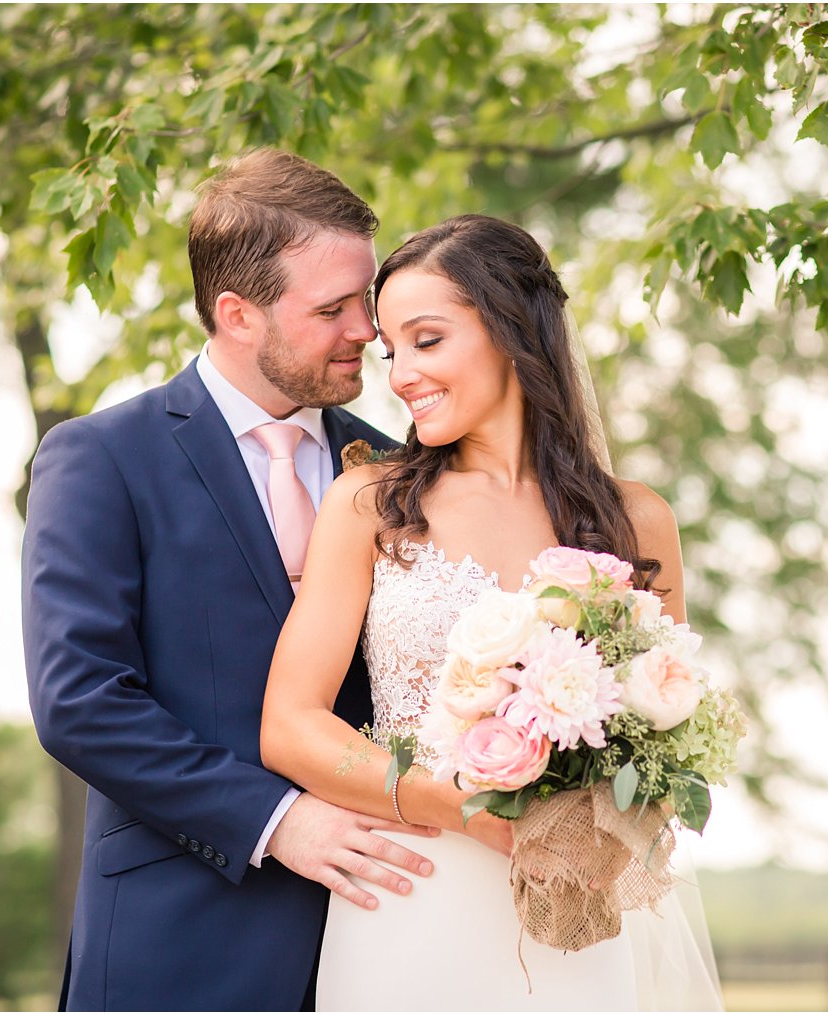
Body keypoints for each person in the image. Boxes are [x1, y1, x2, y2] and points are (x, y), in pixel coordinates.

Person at [261, 214, 722, 1010]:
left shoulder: (637, 521)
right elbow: (290, 725)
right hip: (409, 900)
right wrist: (465, 809)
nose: (401, 373)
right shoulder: (369, 504)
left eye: (427, 340)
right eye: (392, 350)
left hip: (571, 914)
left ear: (511, 328)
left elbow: (667, 736)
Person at [21, 148, 440, 1012]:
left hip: (390, 937)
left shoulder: (407, 472)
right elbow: (81, 700)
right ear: (237, 315)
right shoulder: (101, 459)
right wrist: (279, 820)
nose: (367, 328)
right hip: (179, 944)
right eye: (333, 308)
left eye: (365, 299)